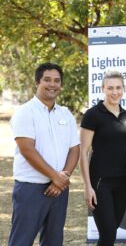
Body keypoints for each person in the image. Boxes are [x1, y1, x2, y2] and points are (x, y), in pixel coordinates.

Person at [8, 63, 80, 246]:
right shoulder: (25, 112)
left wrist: (62, 177)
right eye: (47, 80)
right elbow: (27, 150)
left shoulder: (65, 114)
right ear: (37, 82)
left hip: (59, 189)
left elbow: (74, 149)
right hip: (31, 189)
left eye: (57, 81)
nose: (52, 84)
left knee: (54, 241)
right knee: (21, 241)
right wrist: (54, 176)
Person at [80, 71, 126, 246]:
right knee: (108, 234)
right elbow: (83, 152)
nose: (114, 92)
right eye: (110, 88)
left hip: (122, 182)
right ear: (103, 89)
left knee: (112, 229)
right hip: (100, 183)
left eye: (118, 88)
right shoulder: (92, 115)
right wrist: (87, 187)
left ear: (124, 89)